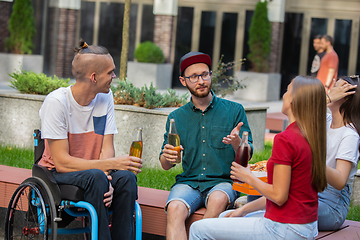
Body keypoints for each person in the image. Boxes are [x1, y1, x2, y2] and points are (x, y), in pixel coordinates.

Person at [189, 76, 328, 240]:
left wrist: (248, 176)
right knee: (225, 216)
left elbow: (278, 196)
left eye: (287, 90)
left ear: (294, 100)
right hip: (306, 226)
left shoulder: (286, 139)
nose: (283, 95)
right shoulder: (310, 136)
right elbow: (286, 194)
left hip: (284, 228)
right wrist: (243, 210)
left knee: (198, 229)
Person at [38, 40, 142, 240]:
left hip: (96, 172)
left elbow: (106, 148)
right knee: (95, 177)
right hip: (57, 174)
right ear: (93, 77)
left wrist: (110, 178)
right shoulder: (57, 102)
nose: (114, 76)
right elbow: (61, 163)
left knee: (127, 178)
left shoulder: (105, 97)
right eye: (110, 72)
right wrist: (109, 167)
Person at [159, 51, 253, 240]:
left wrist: (237, 143)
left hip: (222, 182)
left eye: (205, 74)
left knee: (218, 200)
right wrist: (167, 157)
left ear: (211, 75)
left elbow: (248, 154)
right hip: (188, 182)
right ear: (183, 81)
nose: (201, 80)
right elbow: (165, 164)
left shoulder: (234, 110)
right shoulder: (175, 118)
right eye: (194, 77)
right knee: (175, 208)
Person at [318, 75, 360, 231]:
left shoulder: (349, 135)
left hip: (332, 205)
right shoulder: (326, 121)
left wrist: (313, 159)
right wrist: (327, 98)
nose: (331, 90)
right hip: (312, 191)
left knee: (287, 205)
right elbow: (300, 110)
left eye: (336, 87)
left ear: (346, 97)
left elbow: (340, 180)